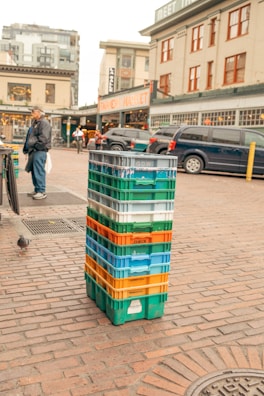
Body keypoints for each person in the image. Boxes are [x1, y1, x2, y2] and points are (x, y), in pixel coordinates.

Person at [23, 106, 52, 200]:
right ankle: (37, 189)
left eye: (33, 111)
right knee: (34, 170)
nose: (31, 113)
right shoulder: (36, 122)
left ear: (39, 112)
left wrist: (35, 146)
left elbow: (44, 138)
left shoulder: (44, 123)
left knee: (38, 170)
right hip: (34, 150)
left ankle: (41, 191)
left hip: (39, 150)